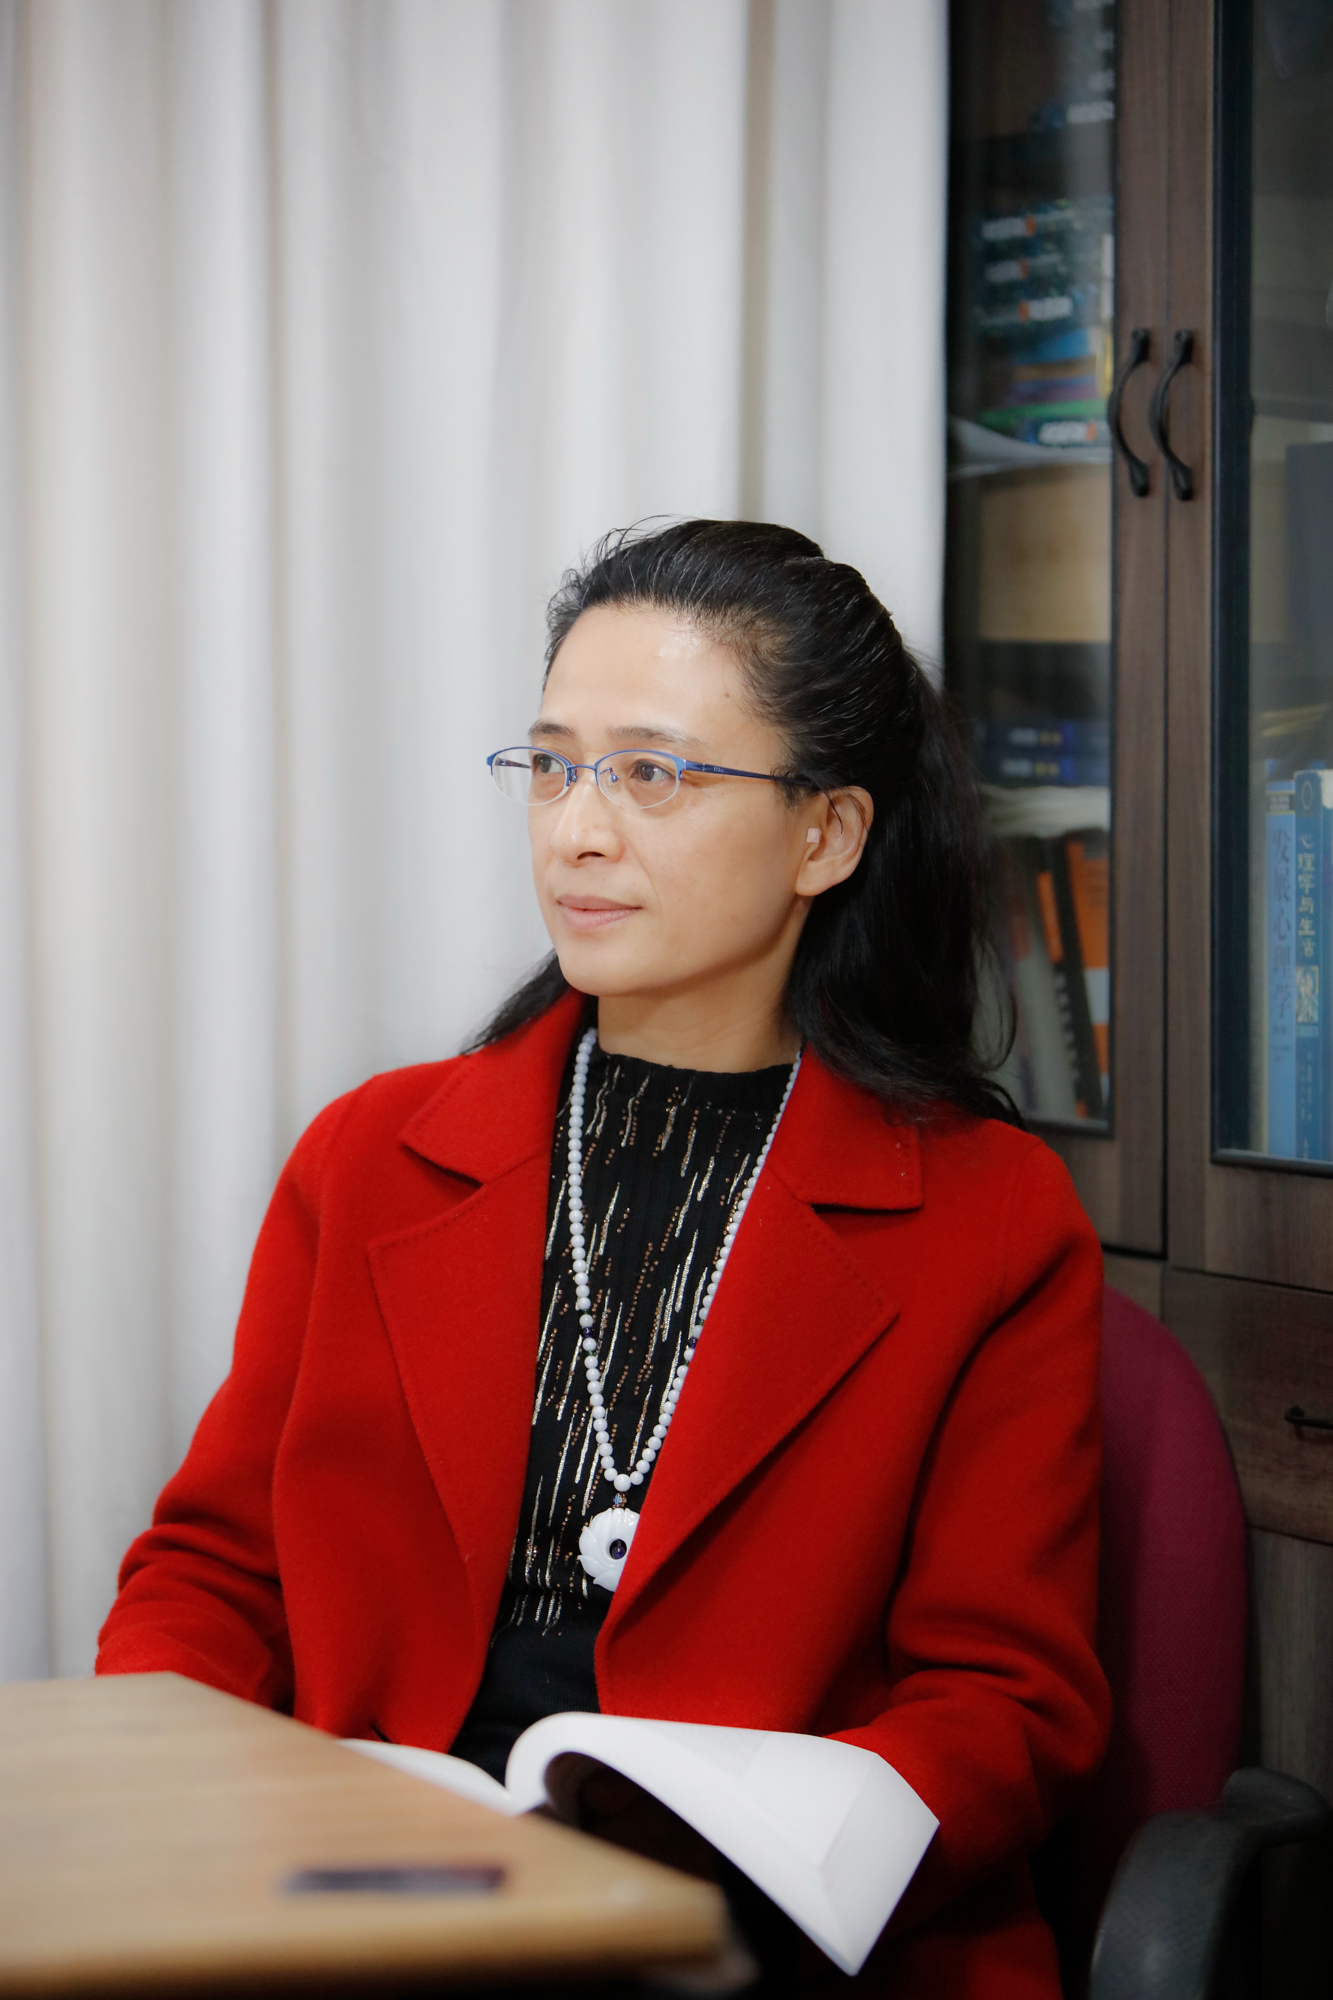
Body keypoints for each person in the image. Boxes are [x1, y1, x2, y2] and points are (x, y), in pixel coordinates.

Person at [97, 519, 1109, 1998]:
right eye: (553, 765)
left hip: (756, 1939)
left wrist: (755, 1855)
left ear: (825, 835)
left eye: (653, 775)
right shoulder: (370, 1159)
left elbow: (1006, 1700)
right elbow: (212, 1573)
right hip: (369, 1901)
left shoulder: (990, 1217)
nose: (576, 830)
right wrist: (173, 1791)